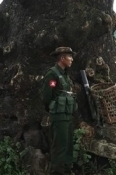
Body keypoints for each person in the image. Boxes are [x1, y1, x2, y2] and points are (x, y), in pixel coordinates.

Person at [42, 47, 78, 175]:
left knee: (68, 145)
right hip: (58, 116)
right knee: (59, 147)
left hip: (67, 115)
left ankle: (67, 171)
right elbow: (47, 96)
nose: (72, 59)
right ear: (62, 58)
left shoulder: (65, 74)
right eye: (70, 56)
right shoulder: (52, 74)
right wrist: (54, 109)